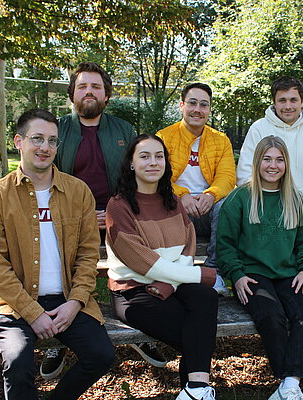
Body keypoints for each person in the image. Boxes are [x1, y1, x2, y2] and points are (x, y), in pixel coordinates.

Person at [0, 109, 115, 400]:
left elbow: (89, 254)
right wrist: (32, 312)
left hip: (66, 299)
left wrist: (76, 301)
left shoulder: (78, 192)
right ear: (18, 141)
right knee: (17, 361)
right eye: (37, 139)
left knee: (101, 355)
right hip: (12, 303)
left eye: (52, 141)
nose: (45, 147)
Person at [49, 62, 164, 374]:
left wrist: (115, 211)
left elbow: (137, 178)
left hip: (119, 216)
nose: (89, 91)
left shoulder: (124, 131)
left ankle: (145, 327)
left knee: (143, 252)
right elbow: (48, 182)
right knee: (57, 262)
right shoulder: (57, 130)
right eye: (83, 86)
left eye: (96, 87)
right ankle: (57, 341)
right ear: (72, 93)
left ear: (106, 95)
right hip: (69, 219)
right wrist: (85, 216)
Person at [106, 134, 219, 400]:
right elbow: (142, 262)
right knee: (195, 334)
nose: (153, 162)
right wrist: (201, 274)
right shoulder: (118, 206)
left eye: (159, 156)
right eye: (144, 156)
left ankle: (195, 390)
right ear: (132, 164)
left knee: (205, 296)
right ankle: (197, 389)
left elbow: (188, 245)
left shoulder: (173, 202)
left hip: (172, 285)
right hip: (133, 291)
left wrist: (171, 283)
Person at [236, 76, 303, 345]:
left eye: (293, 99)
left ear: (302, 101)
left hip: (301, 203)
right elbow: (245, 172)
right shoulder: (260, 127)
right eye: (282, 100)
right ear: (274, 102)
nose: (288, 105)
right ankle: (276, 302)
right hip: (265, 201)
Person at [217, 136, 303, 400]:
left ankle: (289, 386)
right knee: (272, 317)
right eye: (267, 159)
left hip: (290, 273)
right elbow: (225, 246)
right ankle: (290, 386)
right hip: (252, 275)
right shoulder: (239, 199)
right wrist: (237, 276)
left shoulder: (295, 200)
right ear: (257, 162)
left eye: (279, 159)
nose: (273, 165)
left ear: (286, 164)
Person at [156, 82, 236, 295]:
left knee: (228, 206)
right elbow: (156, 176)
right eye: (192, 103)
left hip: (209, 210)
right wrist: (182, 196)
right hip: (175, 207)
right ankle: (176, 275)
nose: (197, 110)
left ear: (209, 109)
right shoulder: (164, 137)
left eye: (204, 105)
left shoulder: (220, 140)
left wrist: (211, 195)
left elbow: (227, 177)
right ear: (181, 105)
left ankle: (214, 272)